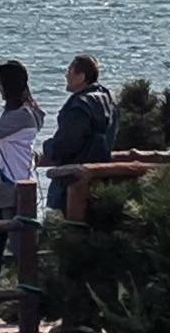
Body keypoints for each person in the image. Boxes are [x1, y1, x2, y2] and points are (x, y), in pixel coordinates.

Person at [0, 59, 44, 318]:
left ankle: (29, 302)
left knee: (18, 248)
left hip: (10, 186)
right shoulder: (25, 111)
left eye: (0, 82)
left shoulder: (21, 115)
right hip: (6, 186)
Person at [44, 53, 117, 213]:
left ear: (81, 76)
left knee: (63, 227)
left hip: (72, 179)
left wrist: (48, 147)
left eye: (70, 70)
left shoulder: (79, 106)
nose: (66, 75)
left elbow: (66, 144)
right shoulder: (108, 101)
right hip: (99, 177)